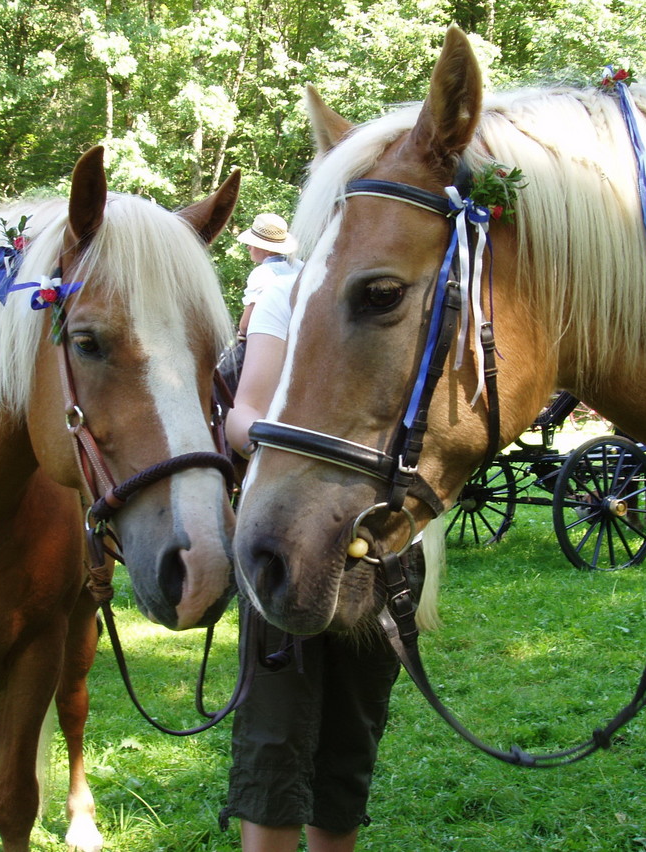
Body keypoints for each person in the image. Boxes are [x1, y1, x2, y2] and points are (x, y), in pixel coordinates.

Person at [221, 224, 407, 852]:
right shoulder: (283, 293)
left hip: (376, 533)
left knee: (352, 732)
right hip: (288, 529)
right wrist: (294, 454)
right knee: (275, 732)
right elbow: (242, 414)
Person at [234, 213, 302, 341]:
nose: (248, 247)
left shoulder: (263, 273)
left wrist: (241, 333)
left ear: (267, 250)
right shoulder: (299, 266)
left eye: (252, 244)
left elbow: (245, 325)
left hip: (272, 341)